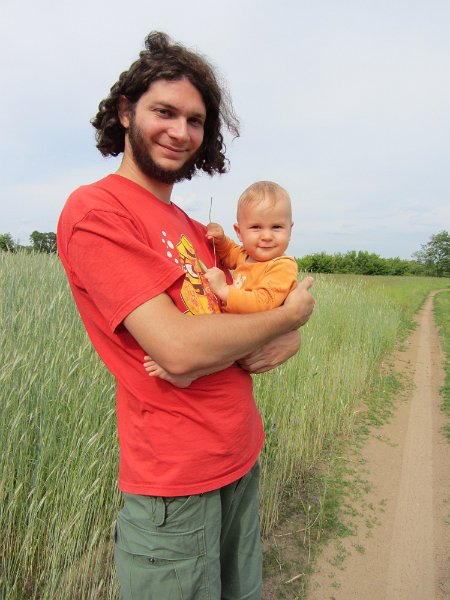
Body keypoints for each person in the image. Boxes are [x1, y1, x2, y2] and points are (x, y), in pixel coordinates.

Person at [57, 31, 314, 600]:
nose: (181, 132)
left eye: (195, 120)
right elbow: (178, 350)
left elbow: (259, 302)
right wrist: (288, 321)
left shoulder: (195, 229)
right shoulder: (97, 211)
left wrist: (288, 333)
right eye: (165, 112)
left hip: (239, 453)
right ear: (126, 111)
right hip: (174, 483)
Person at [144, 180, 299, 388]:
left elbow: (264, 302)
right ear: (239, 232)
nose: (267, 236)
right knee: (212, 339)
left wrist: (224, 291)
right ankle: (186, 366)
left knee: (225, 350)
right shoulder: (247, 256)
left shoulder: (282, 266)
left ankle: (189, 373)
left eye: (277, 227)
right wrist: (220, 239)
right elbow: (229, 253)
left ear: (290, 229)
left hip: (259, 332)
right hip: (238, 327)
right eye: (256, 227)